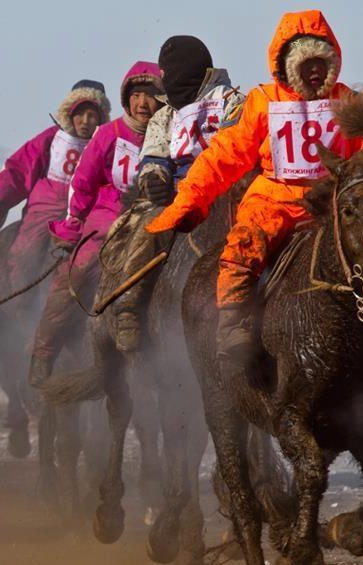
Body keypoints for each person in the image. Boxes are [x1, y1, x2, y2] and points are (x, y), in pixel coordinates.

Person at [145, 9, 363, 367]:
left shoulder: (346, 101)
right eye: (304, 63)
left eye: (321, 62)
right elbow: (226, 153)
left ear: (333, 63)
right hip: (274, 197)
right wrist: (190, 201)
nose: (314, 71)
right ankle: (233, 321)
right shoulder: (264, 102)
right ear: (285, 65)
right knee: (243, 244)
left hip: (331, 199)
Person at [30, 62, 163, 384]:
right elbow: (84, 181)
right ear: (126, 98)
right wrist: (73, 223)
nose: (143, 103)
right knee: (72, 277)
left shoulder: (167, 134)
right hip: (106, 218)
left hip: (154, 217)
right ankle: (43, 352)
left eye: (152, 95)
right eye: (137, 95)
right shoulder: (109, 133)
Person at [111, 36, 246, 352]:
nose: (166, 81)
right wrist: (154, 178)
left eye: (168, 73)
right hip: (178, 193)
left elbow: (238, 144)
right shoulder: (164, 114)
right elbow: (154, 155)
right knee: (148, 229)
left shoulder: (234, 101)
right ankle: (128, 307)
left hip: (224, 190)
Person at [0, 80, 111, 286]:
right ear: (69, 113)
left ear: (101, 118)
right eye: (80, 114)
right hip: (45, 207)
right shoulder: (51, 138)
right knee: (25, 252)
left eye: (92, 115)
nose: (85, 121)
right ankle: (17, 303)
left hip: (86, 211)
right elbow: (18, 171)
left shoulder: (106, 143)